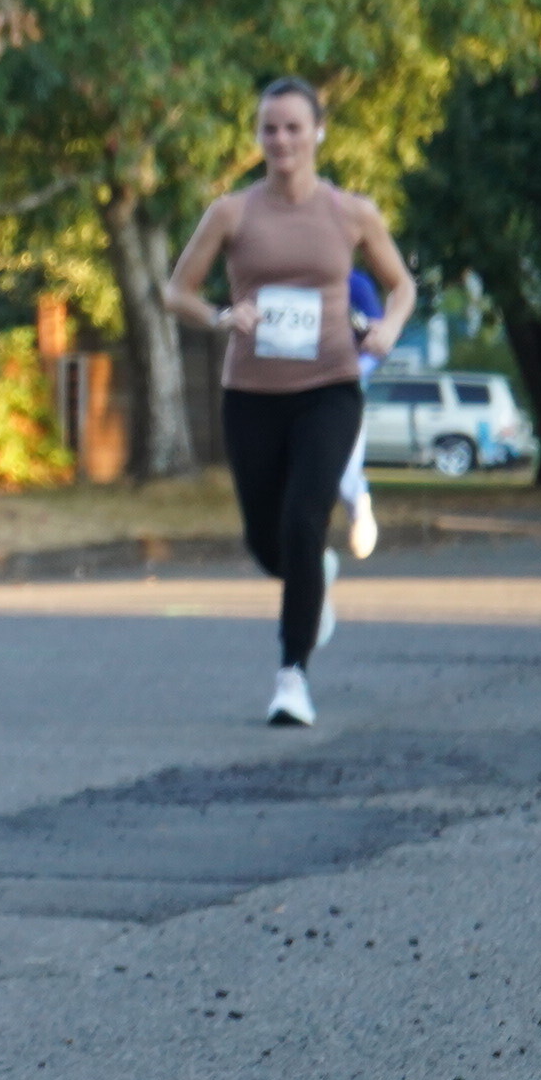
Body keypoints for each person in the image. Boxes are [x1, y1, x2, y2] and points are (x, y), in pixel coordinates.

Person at [162, 77, 414, 727]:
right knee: (266, 540)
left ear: (318, 133)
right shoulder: (232, 214)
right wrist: (222, 316)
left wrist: (387, 328)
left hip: (329, 389)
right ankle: (313, 577)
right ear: (257, 137)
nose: (282, 140)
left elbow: (401, 286)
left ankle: (292, 677)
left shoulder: (351, 213)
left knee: (304, 518)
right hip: (252, 394)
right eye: (269, 129)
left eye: (294, 127)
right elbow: (177, 292)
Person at [340, 268, 385, 560]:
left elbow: (378, 342)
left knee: (343, 468)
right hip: (290, 387)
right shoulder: (284, 277)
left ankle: (358, 504)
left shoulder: (355, 284)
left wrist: (357, 371)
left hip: (343, 388)